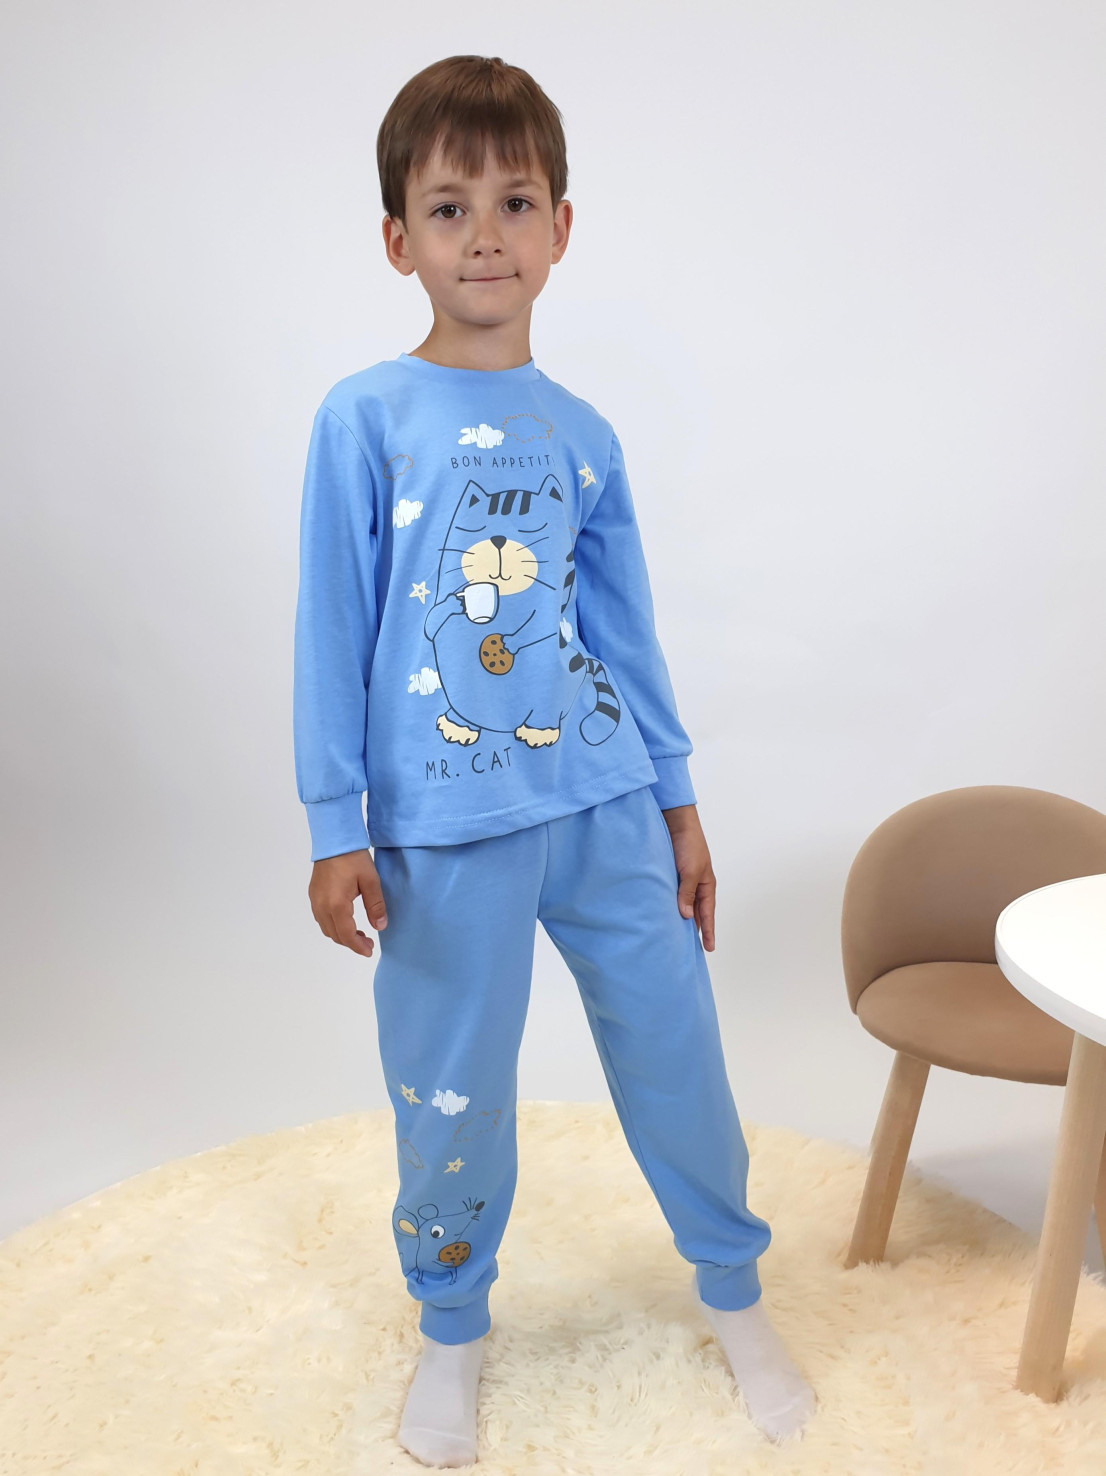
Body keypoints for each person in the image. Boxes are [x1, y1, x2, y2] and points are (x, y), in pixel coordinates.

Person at [293, 53, 816, 1469]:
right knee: (448, 1088)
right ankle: (452, 1327)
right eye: (448, 207)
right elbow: (332, 625)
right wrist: (336, 821)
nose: (484, 236)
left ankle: (734, 1292)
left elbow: (624, 636)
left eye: (514, 202)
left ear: (561, 228)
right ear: (397, 239)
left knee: (677, 1050)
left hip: (601, 800)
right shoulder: (362, 417)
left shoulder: (584, 435)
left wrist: (678, 805)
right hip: (439, 828)